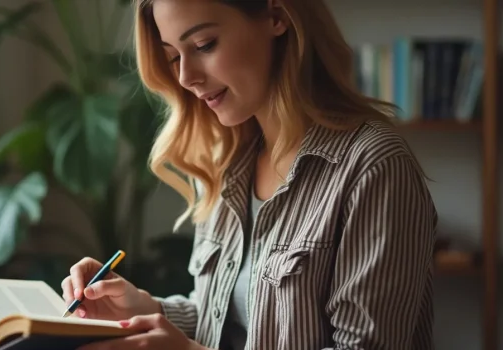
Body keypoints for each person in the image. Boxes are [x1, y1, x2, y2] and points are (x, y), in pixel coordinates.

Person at [62, 0, 438, 349]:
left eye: (204, 44)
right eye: (174, 57)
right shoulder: (226, 162)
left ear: (277, 17)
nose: (185, 77)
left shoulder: (372, 165)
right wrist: (140, 309)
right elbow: (227, 318)